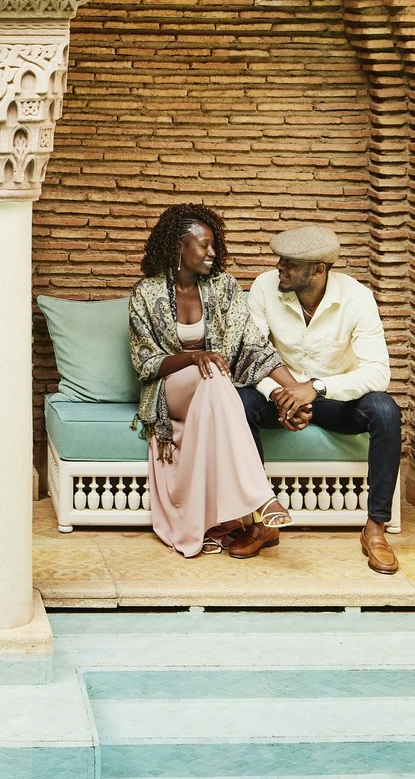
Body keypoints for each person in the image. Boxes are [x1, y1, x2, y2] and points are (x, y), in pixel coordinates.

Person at [128, 204, 303, 559]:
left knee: (215, 375)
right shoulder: (145, 293)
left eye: (214, 245)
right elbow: (144, 362)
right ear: (179, 247)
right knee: (212, 372)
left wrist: (295, 390)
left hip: (214, 388)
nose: (213, 253)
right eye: (204, 245)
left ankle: (256, 499)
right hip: (169, 390)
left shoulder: (223, 288)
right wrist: (194, 357)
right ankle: (260, 497)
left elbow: (253, 345)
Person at [238, 224, 402, 575]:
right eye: (280, 260)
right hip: (279, 396)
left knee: (386, 410)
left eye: (290, 264)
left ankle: (375, 529)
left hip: (335, 399)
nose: (279, 268)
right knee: (240, 401)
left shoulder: (357, 297)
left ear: (319, 270)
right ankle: (262, 520)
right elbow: (251, 356)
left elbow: (378, 373)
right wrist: (281, 395)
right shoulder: (265, 287)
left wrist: (316, 388)